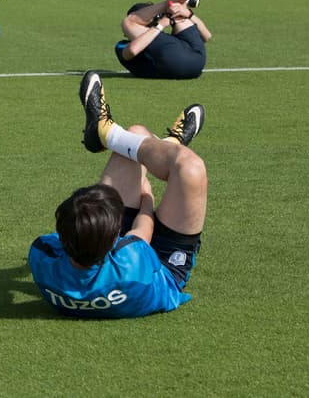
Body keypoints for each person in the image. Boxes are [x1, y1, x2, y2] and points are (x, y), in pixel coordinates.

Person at [28, 70, 208, 318]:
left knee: (134, 140)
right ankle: (154, 143)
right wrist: (146, 196)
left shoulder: (43, 254)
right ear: (114, 236)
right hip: (163, 270)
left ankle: (124, 138)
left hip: (122, 256)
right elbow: (144, 226)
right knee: (189, 168)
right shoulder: (128, 256)